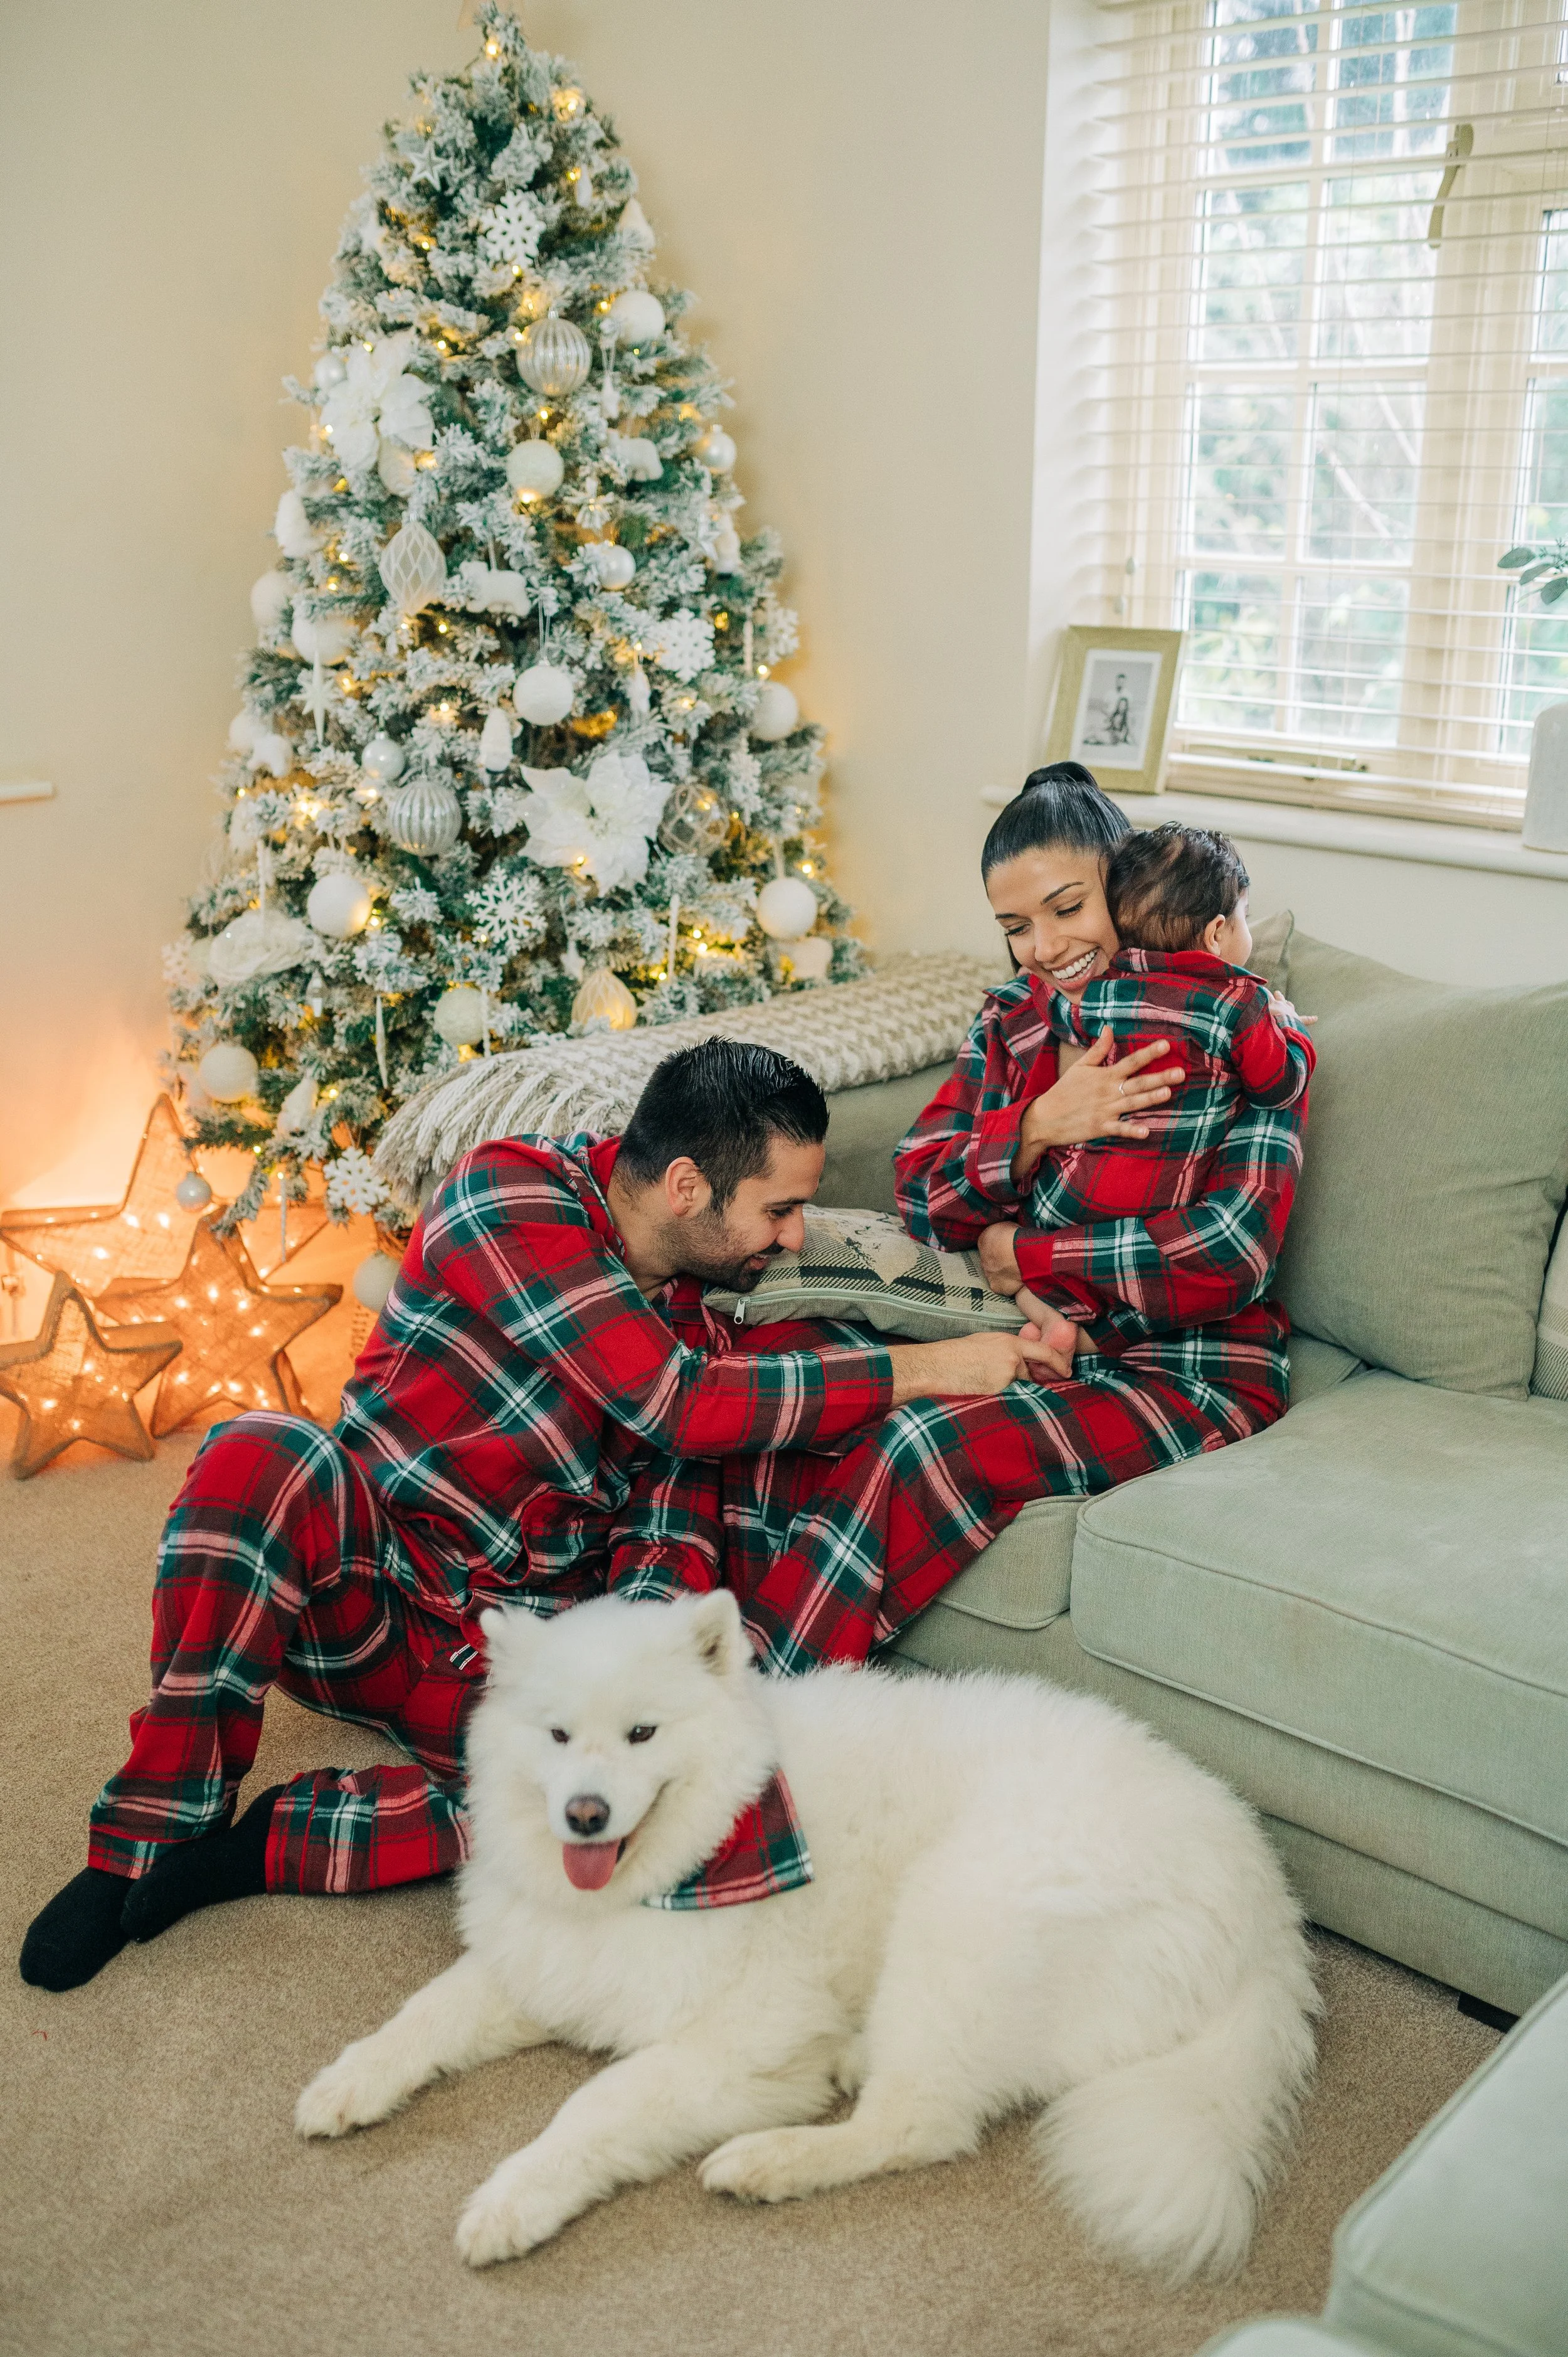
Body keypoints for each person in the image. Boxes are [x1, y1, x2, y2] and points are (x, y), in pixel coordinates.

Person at [21, 1039, 1069, 1994]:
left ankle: (267, 1846)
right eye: (779, 1209)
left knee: (649, 1804)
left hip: (506, 1666)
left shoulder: (709, 1304)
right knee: (262, 1450)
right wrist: (927, 1368)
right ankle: (154, 1829)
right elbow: (670, 1400)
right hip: (365, 1593)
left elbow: (674, 1506)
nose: (791, 1236)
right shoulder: (509, 1197)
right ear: (686, 1184)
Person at [894, 758, 1308, 1523]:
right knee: (809, 1397)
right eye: (1016, 927)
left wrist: (1023, 1253)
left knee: (918, 1449)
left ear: (1126, 888)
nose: (1043, 948)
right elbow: (919, 1192)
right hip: (1029, 1334)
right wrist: (1037, 1125)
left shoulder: (1233, 1021)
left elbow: (1232, 1250)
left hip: (1189, 1368)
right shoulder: (1014, 1019)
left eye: (1066, 907)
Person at [1025, 819, 1315, 1235]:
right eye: (1244, 917)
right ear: (1216, 933)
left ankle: (1048, 1291)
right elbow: (1279, 1087)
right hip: (1156, 1212)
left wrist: (1036, 981)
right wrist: (1289, 1028)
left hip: (1062, 1201)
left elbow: (1063, 1013)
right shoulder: (1240, 1004)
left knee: (1061, 1252)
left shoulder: (1106, 989)